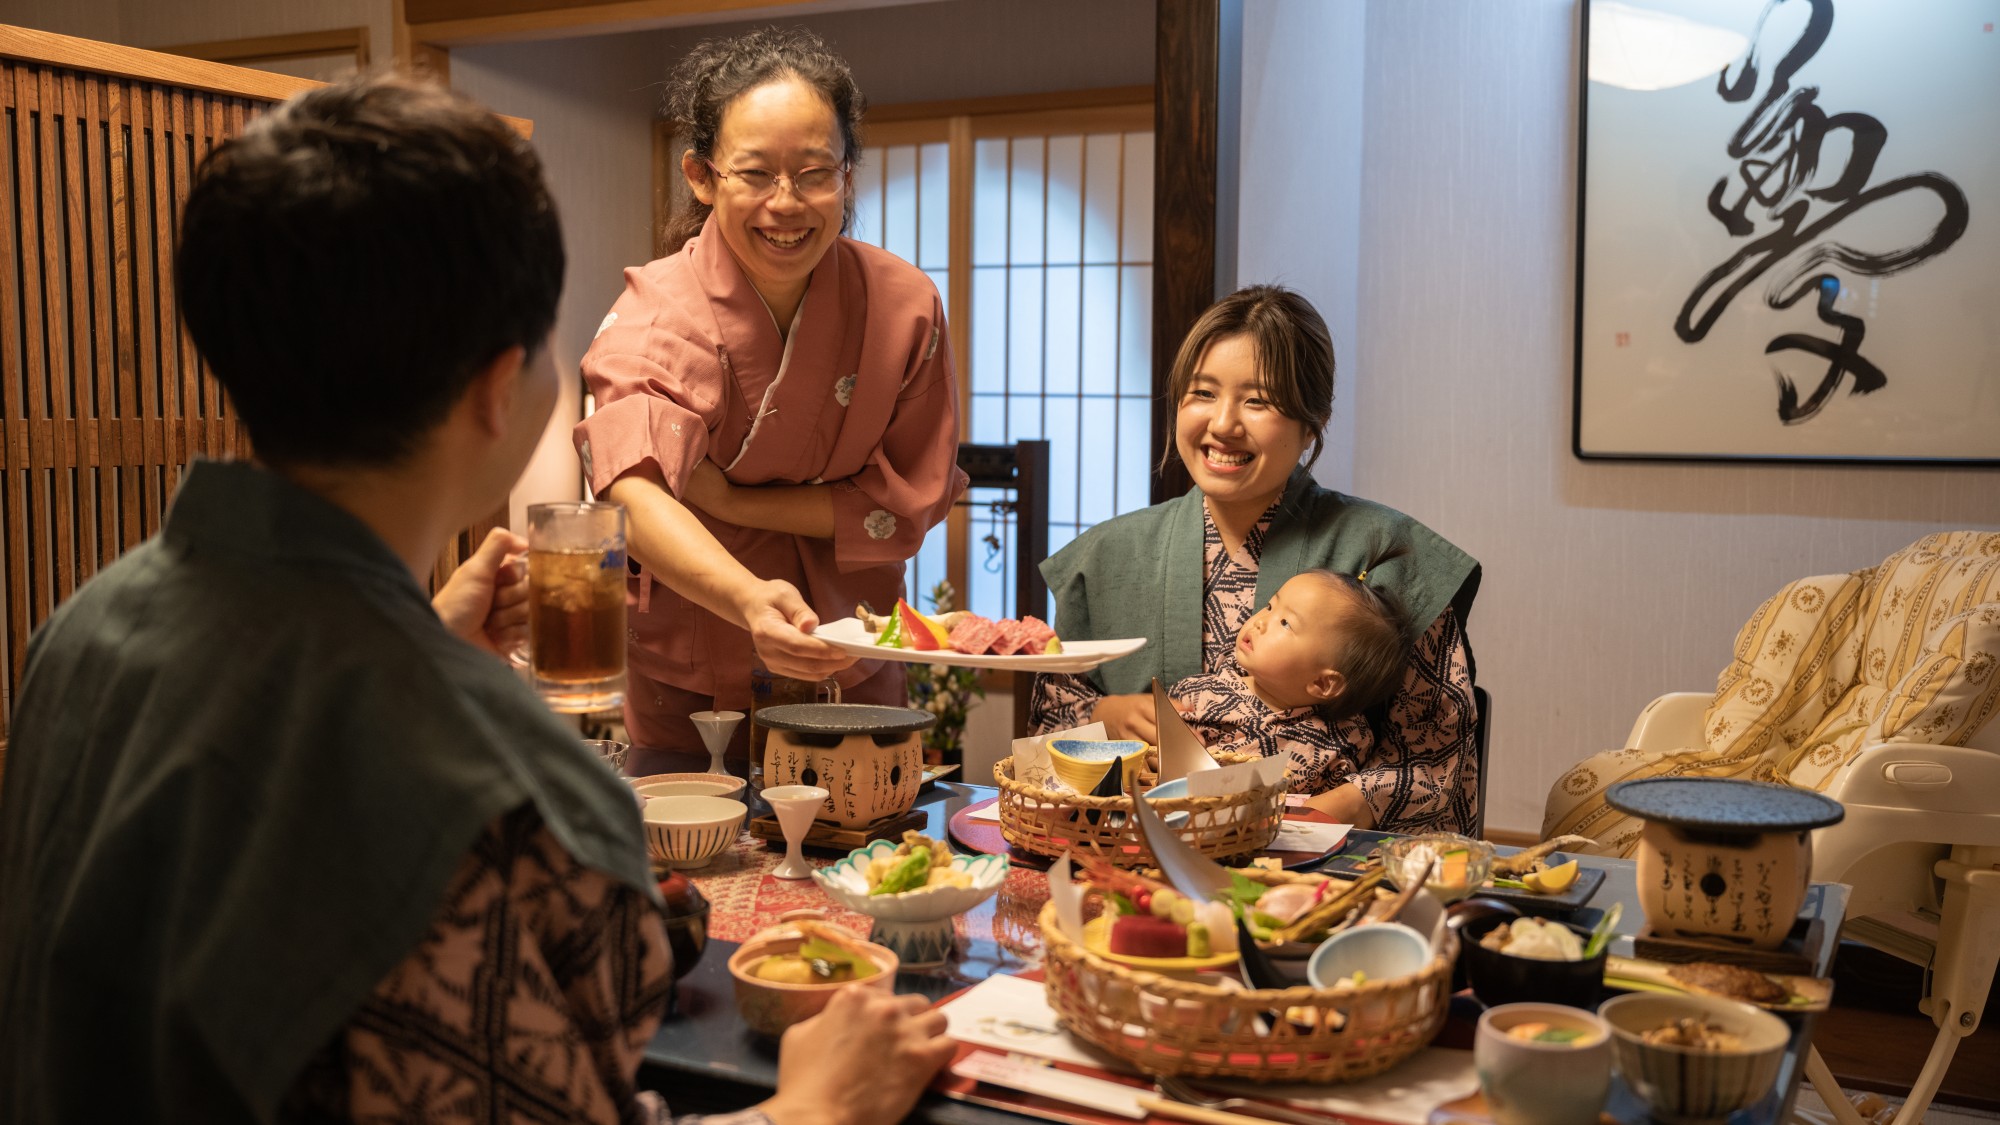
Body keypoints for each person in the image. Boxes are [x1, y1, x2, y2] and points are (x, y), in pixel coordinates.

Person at [0, 73, 952, 1125]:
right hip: (689, 671)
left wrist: (414, 639)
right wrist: (808, 1113)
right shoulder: (506, 789)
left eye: (814, 172)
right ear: (502, 386)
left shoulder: (80, 635)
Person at [576, 27, 966, 776]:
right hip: (694, 659)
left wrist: (731, 499)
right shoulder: (661, 307)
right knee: (689, 875)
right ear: (702, 174)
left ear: (847, 174)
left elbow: (909, 500)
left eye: (814, 172)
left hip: (849, 650)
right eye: (754, 174)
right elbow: (631, 482)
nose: (785, 204)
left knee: (868, 870)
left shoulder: (905, 306)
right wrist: (749, 599)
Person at [1031, 285, 1483, 834]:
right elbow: (1041, 745)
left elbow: (1439, 759)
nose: (1222, 425)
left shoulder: (1386, 552)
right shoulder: (1106, 556)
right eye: (1202, 393)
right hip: (1126, 859)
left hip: (1327, 870)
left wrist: (1326, 812)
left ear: (1311, 422)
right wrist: (1102, 717)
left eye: (1258, 400)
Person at [1171, 568, 1410, 806]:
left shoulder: (1345, 741)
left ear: (1322, 683)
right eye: (1270, 606)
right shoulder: (1201, 695)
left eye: (1285, 623)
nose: (1260, 622)